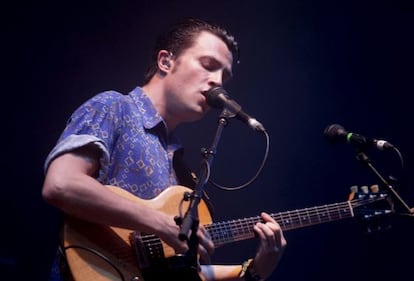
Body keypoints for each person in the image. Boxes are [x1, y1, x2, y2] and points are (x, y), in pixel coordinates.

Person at [42, 17, 287, 281]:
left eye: (224, 76)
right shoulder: (114, 108)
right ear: (165, 61)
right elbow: (61, 184)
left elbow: (182, 271)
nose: (218, 81)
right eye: (208, 65)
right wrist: (158, 222)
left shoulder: (181, 168)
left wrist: (254, 270)